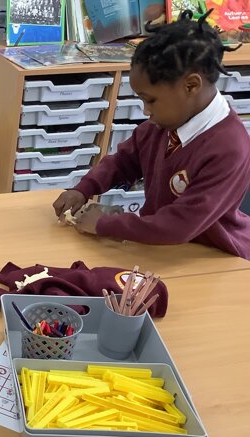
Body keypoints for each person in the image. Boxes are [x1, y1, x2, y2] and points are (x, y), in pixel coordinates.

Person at [53, 10, 250, 259]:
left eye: (151, 100)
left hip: (214, 256)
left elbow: (179, 225)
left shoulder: (230, 148)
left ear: (191, 86)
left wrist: (105, 224)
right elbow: (123, 161)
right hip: (161, 246)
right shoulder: (164, 124)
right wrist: (84, 189)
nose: (145, 111)